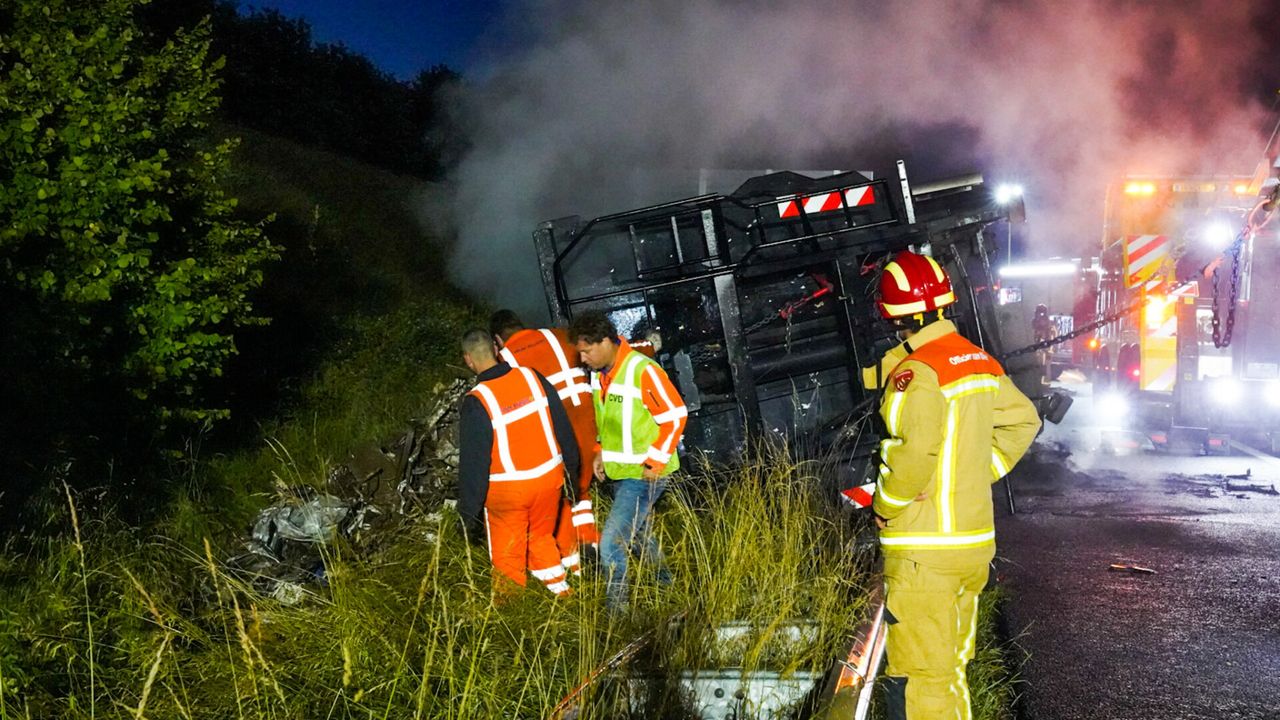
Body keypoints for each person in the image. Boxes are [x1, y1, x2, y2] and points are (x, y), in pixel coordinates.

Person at [870, 251, 1040, 720]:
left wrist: (887, 502)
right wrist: (975, 470)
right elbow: (1024, 421)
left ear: (893, 315)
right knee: (949, 672)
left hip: (926, 551)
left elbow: (913, 452)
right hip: (972, 547)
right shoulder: (977, 361)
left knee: (922, 681)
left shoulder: (917, 372)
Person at [568, 311, 688, 611]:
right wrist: (599, 452)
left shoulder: (641, 370)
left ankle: (618, 617)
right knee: (639, 537)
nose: (583, 358)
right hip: (621, 473)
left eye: (587, 350)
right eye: (579, 352)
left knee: (611, 545)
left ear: (607, 341)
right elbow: (607, 421)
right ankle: (667, 591)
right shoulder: (599, 376)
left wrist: (655, 462)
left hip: (643, 475)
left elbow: (675, 415)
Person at [456, 328, 580, 598]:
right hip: (550, 481)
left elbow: (473, 465)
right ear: (496, 350)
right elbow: (563, 428)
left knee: (507, 559)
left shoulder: (477, 401)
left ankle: (513, 616)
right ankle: (563, 594)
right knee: (541, 538)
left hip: (508, 494)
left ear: (468, 360)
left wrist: (468, 514)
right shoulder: (532, 377)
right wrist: (571, 472)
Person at [490, 309, 598, 572]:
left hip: (559, 439)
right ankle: (593, 549)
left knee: (562, 501)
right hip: (591, 430)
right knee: (582, 494)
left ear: (497, 341)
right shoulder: (559, 335)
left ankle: (577, 568)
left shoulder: (505, 360)